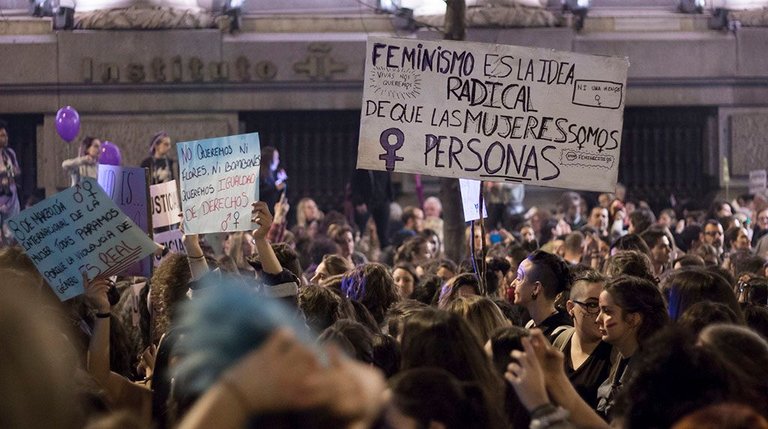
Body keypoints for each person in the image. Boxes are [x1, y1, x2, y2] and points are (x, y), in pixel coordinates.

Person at [595, 275, 669, 418]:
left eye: (607, 311)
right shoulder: (620, 358)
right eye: (599, 310)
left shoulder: (652, 373)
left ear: (633, 319)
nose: (598, 319)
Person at [554, 268, 613, 410]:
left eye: (604, 307)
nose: (600, 316)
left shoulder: (615, 353)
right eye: (592, 305)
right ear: (570, 308)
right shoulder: (558, 341)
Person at [511, 250, 573, 341]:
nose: (513, 284)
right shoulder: (531, 324)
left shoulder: (560, 335)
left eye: (519, 277)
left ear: (536, 288)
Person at [0, 120, 20, 245]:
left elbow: (17, 170)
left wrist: (11, 173)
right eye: (2, 135)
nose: (5, 138)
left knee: (11, 233)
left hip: (11, 196)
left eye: (6, 135)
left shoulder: (10, 154)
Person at [259, 146, 287, 214]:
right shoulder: (261, 174)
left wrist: (281, 179)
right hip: (263, 211)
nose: (278, 161)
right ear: (269, 159)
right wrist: (275, 187)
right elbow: (260, 192)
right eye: (276, 158)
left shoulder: (273, 174)